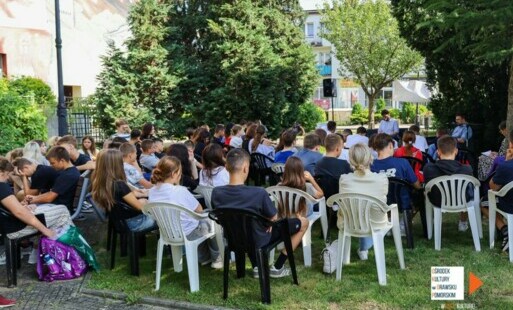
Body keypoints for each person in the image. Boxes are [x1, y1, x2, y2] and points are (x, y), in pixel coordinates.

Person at [211, 149, 308, 278]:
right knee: (304, 223)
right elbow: (274, 218)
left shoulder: (216, 193)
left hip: (233, 239)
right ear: (246, 168)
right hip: (259, 240)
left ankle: (257, 266)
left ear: (226, 167)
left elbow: (220, 217)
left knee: (253, 227)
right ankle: (278, 266)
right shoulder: (258, 192)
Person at [148, 156, 222, 268]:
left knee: (196, 223)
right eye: (180, 172)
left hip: (167, 233)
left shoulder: (152, 191)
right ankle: (217, 258)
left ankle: (204, 258)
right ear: (174, 174)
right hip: (188, 234)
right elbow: (199, 210)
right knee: (211, 220)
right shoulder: (180, 191)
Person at [0, 157, 72, 264]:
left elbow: (9, 209)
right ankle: (69, 255)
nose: (7, 178)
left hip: (5, 227)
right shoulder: (2, 187)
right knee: (62, 211)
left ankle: (40, 253)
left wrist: (21, 205)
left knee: (40, 213)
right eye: (7, 174)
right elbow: (19, 212)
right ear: (1, 172)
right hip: (15, 229)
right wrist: (45, 230)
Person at [340, 143, 388, 260]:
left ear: (350, 160)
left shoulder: (344, 179)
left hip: (350, 222)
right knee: (370, 212)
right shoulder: (381, 178)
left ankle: (363, 248)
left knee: (361, 211)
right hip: (376, 223)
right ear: (370, 158)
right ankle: (364, 248)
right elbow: (383, 200)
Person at [91, 149, 156, 232]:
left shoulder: (101, 181)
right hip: (133, 223)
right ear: (116, 164)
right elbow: (140, 208)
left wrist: (139, 194)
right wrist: (145, 202)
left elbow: (124, 195)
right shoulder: (119, 185)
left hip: (118, 221)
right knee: (163, 216)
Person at [423, 135, 473, 232]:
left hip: (437, 201)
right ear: (456, 151)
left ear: (438, 152)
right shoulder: (467, 169)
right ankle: (463, 222)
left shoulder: (428, 168)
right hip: (462, 200)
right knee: (468, 189)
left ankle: (431, 223)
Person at [23, 146, 80, 213]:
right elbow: (51, 194)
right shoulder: (71, 172)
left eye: (53, 163)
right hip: (58, 206)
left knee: (22, 212)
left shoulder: (67, 175)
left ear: (62, 161)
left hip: (59, 208)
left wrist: (31, 201)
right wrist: (34, 197)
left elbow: (49, 198)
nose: (51, 165)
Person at [488, 129, 513, 252]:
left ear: (511, 145)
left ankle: (505, 229)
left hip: (509, 206)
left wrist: (507, 161)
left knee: (485, 203)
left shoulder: (506, 166)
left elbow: (493, 187)